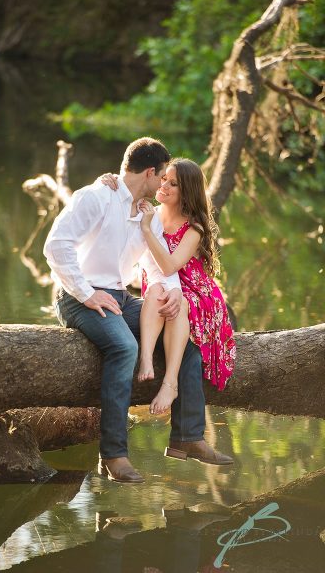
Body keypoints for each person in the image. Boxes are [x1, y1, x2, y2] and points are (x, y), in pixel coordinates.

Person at [44, 137, 233, 485]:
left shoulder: (147, 214)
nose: (163, 185)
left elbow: (157, 266)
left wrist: (174, 297)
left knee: (187, 337)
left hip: (119, 296)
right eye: (162, 177)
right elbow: (55, 246)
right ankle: (114, 455)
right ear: (149, 173)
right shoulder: (96, 196)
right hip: (77, 296)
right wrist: (86, 293)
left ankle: (187, 436)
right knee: (124, 347)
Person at [102, 159, 236, 417]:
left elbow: (170, 266)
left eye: (173, 184)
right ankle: (146, 359)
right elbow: (123, 192)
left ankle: (169, 383)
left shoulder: (193, 227)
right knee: (156, 292)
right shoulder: (149, 209)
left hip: (197, 295)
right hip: (161, 286)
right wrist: (107, 180)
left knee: (177, 303)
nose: (163, 185)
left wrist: (147, 230)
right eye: (164, 179)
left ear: (187, 192)